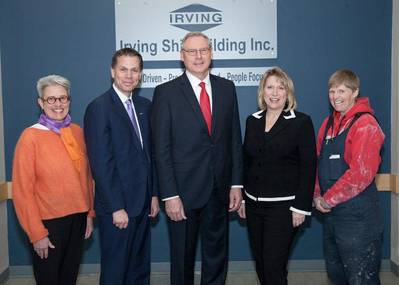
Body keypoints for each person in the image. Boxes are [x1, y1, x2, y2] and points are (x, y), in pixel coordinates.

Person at [151, 32, 243, 285]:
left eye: (203, 50)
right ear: (182, 56)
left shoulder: (227, 88)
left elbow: (234, 139)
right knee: (183, 258)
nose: (198, 56)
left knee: (217, 255)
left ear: (211, 53)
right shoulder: (165, 93)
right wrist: (169, 195)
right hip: (182, 192)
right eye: (192, 51)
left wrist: (236, 183)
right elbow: (161, 148)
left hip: (219, 188)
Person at [84, 48, 159, 285]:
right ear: (112, 72)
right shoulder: (99, 108)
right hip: (117, 208)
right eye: (123, 69)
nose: (129, 75)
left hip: (143, 203)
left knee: (139, 270)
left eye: (134, 70)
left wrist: (154, 194)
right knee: (116, 271)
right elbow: (101, 163)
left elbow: (151, 156)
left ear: (140, 75)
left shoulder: (145, 106)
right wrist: (117, 207)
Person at [12, 75, 94, 285]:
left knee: (69, 278)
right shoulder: (30, 137)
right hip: (47, 225)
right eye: (51, 99)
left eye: (63, 98)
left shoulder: (77, 132)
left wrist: (89, 214)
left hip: (77, 220)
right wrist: (36, 233)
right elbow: (23, 191)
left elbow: (86, 178)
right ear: (41, 102)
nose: (58, 104)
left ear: (69, 101)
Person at [238, 67, 317, 285]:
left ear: (288, 93)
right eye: (270, 87)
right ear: (262, 92)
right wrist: (244, 197)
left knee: (274, 267)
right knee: (262, 265)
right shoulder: (252, 120)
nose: (275, 93)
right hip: (254, 207)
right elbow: (247, 162)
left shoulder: (301, 122)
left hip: (284, 208)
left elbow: (309, 167)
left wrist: (301, 207)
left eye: (280, 88)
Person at [313, 69, 384, 285]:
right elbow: (318, 164)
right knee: (337, 275)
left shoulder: (366, 124)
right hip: (332, 217)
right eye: (332, 91)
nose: (336, 96)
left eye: (342, 91)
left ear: (355, 92)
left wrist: (328, 199)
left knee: (361, 277)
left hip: (359, 218)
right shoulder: (327, 125)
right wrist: (316, 194)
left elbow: (360, 174)